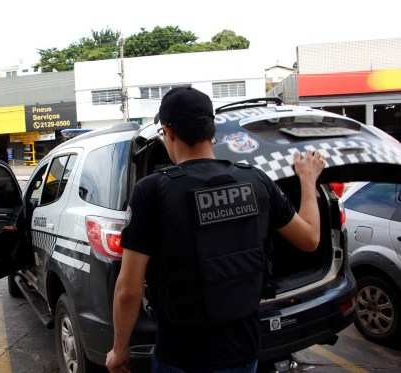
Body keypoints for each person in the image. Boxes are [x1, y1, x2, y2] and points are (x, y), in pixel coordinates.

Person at [105, 87, 326, 373]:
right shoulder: (256, 180)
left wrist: (119, 350)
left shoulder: (152, 191)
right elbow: (310, 239)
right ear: (212, 131)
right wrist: (308, 181)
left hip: (181, 357)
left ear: (169, 132)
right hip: (244, 352)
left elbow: (128, 289)